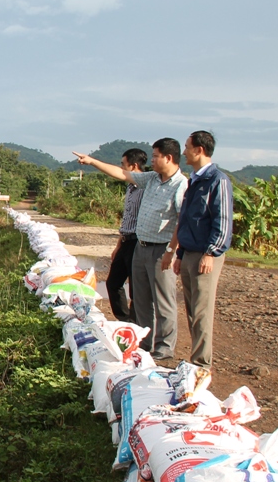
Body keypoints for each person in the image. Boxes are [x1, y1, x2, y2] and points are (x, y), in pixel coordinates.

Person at [73, 139, 187, 359]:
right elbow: (122, 174)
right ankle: (143, 342)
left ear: (168, 158)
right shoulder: (151, 179)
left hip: (161, 249)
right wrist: (92, 161)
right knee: (141, 299)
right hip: (141, 247)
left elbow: (182, 221)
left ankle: (164, 347)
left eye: (155, 156)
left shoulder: (181, 185)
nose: (152, 160)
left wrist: (171, 251)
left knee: (163, 300)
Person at [164, 130, 233, 369]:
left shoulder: (217, 180)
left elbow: (222, 221)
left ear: (199, 150)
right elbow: (186, 219)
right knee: (192, 309)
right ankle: (195, 360)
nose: (184, 152)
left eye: (187, 147)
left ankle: (202, 363)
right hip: (190, 252)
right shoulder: (194, 180)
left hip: (205, 253)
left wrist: (211, 253)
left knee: (202, 310)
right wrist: (180, 254)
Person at [105, 148, 147, 322]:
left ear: (134, 165)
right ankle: (125, 319)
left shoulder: (145, 188)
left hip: (137, 243)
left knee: (135, 288)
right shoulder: (130, 188)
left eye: (123, 164)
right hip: (125, 241)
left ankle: (136, 324)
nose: (121, 168)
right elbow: (127, 219)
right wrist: (118, 245)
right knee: (113, 283)